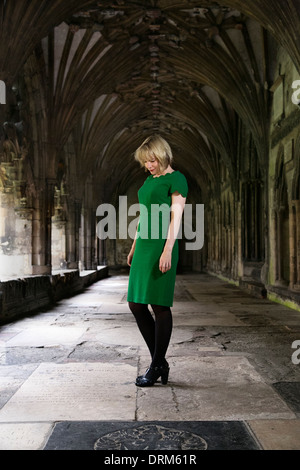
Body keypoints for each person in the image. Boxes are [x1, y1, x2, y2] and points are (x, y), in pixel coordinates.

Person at [127, 135, 188, 387]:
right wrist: (133, 246)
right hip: (143, 245)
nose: (148, 166)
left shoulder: (177, 179)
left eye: (152, 160)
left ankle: (156, 364)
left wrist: (167, 250)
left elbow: (176, 218)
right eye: (145, 162)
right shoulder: (150, 180)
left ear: (163, 155)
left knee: (159, 305)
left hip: (162, 244)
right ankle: (159, 362)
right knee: (135, 304)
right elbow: (145, 216)